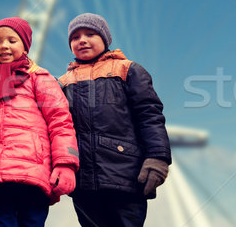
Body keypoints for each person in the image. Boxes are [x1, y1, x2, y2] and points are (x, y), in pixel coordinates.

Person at [58, 13, 172, 227]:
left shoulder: (128, 70)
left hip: (126, 175)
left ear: (105, 38)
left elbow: (149, 115)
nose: (82, 40)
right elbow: (58, 128)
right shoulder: (62, 83)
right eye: (75, 37)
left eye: (90, 34)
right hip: (83, 182)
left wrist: (158, 157)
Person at [0, 17, 79, 227]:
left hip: (33, 174)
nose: (4, 46)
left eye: (12, 40)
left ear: (25, 45)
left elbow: (60, 122)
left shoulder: (39, 77)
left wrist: (66, 164)